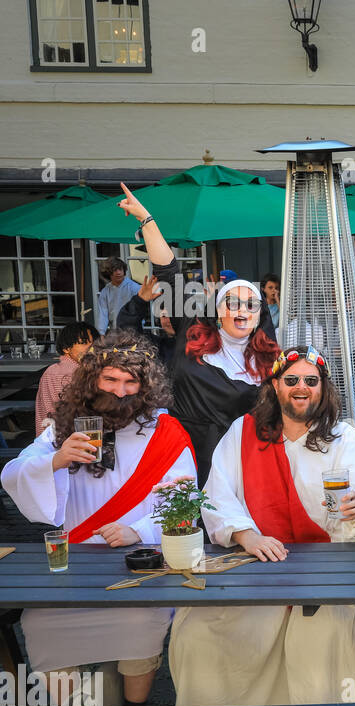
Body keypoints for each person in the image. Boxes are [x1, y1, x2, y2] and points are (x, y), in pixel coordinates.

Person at [168, 346, 355, 706]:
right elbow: (215, 496)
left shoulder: (343, 438)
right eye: (292, 380)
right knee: (197, 630)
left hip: (323, 567)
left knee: (316, 640)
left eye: (311, 381)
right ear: (275, 386)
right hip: (258, 564)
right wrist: (245, 534)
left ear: (323, 389)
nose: (302, 388)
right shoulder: (242, 432)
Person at [2, 331, 197, 706]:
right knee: (40, 619)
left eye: (132, 384)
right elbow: (13, 475)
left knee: (141, 618)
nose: (121, 392)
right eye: (111, 380)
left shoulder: (165, 430)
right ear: (92, 379)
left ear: (146, 387)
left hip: (136, 559)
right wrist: (53, 460)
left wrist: (138, 528)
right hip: (72, 565)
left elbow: (183, 497)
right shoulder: (63, 427)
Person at [114, 183, 278, 485]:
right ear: (217, 310)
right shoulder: (192, 335)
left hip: (242, 464)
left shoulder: (272, 363)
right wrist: (147, 221)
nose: (241, 310)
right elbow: (169, 272)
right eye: (232, 302)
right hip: (183, 457)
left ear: (259, 315)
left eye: (251, 304)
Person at [34, 322, 97, 429]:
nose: (91, 348)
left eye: (94, 344)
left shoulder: (82, 369)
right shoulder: (64, 373)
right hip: (63, 438)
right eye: (84, 343)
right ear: (66, 348)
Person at [95, 257, 140, 335]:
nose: (118, 272)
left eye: (120, 269)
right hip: (115, 331)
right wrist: (101, 333)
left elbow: (140, 311)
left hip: (134, 331)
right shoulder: (105, 291)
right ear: (109, 272)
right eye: (115, 270)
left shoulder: (134, 287)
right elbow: (103, 314)